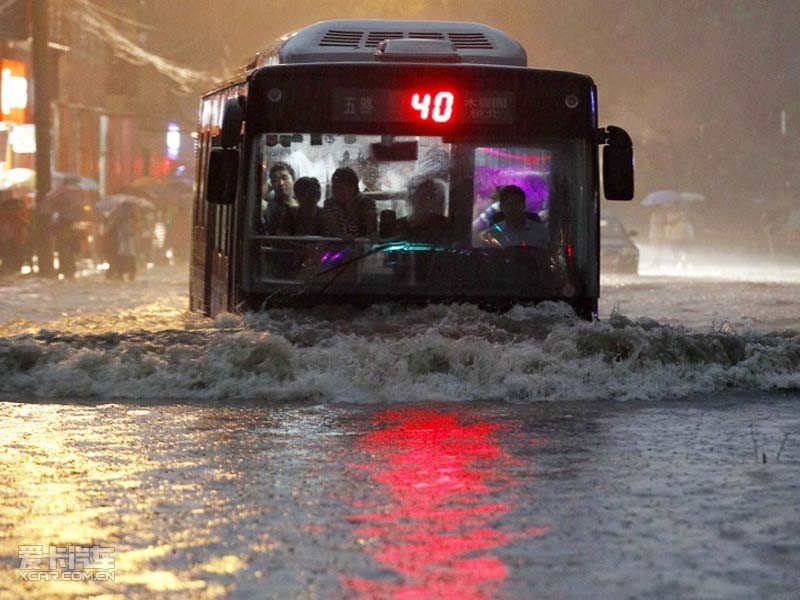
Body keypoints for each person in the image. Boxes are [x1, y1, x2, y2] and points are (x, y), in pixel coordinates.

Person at [480, 185, 549, 248]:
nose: (512, 208)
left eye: (517, 204)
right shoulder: (493, 233)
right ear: (501, 207)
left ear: (524, 205)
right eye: (509, 204)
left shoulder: (539, 231)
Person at [320, 167, 376, 238]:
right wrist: (341, 235)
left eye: (340, 188)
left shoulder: (366, 203)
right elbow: (332, 226)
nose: (336, 192)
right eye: (334, 188)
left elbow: (371, 230)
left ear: (353, 188)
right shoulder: (330, 203)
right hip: (336, 247)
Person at [396, 177, 449, 244]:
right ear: (411, 198)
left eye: (430, 196)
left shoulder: (443, 225)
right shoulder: (398, 226)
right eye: (421, 195)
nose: (425, 200)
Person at [262, 161, 298, 235]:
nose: (281, 183)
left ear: (293, 180)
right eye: (276, 180)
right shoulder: (267, 207)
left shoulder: (303, 206)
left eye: (284, 178)